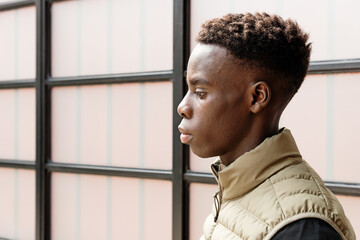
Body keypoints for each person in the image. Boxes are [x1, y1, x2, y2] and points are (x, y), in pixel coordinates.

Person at [177, 12, 356, 240]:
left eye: (200, 93)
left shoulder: (302, 227)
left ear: (256, 97)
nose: (182, 107)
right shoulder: (237, 188)